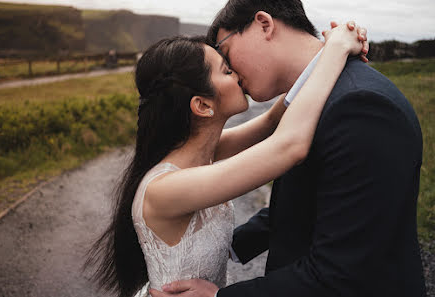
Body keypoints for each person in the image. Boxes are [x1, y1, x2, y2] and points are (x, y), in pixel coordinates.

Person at [152, 1, 426, 297]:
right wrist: (218, 244)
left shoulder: (360, 106)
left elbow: (343, 271)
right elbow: (308, 202)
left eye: (225, 51)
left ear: (264, 24)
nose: (229, 69)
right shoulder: (317, 100)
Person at [85, 21, 367, 297]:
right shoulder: (165, 189)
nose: (237, 75)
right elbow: (289, 146)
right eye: (227, 71)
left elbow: (271, 120)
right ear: (203, 105)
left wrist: (318, 57)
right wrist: (335, 50)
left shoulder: (201, 153)